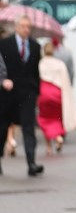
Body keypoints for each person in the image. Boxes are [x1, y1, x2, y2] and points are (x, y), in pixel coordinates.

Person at [0, 15, 45, 177]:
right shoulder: (4, 44)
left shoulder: (35, 46)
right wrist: (3, 81)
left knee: (28, 128)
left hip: (28, 94)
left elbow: (35, 72)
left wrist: (36, 91)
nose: (26, 29)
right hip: (7, 94)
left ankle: (31, 163)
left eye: (28, 26)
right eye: (23, 26)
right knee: (3, 128)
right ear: (16, 27)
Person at [38, 42, 76, 155]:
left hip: (44, 92)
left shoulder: (40, 63)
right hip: (57, 92)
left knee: (44, 118)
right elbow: (66, 80)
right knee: (57, 118)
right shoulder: (59, 64)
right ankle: (58, 136)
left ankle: (49, 146)